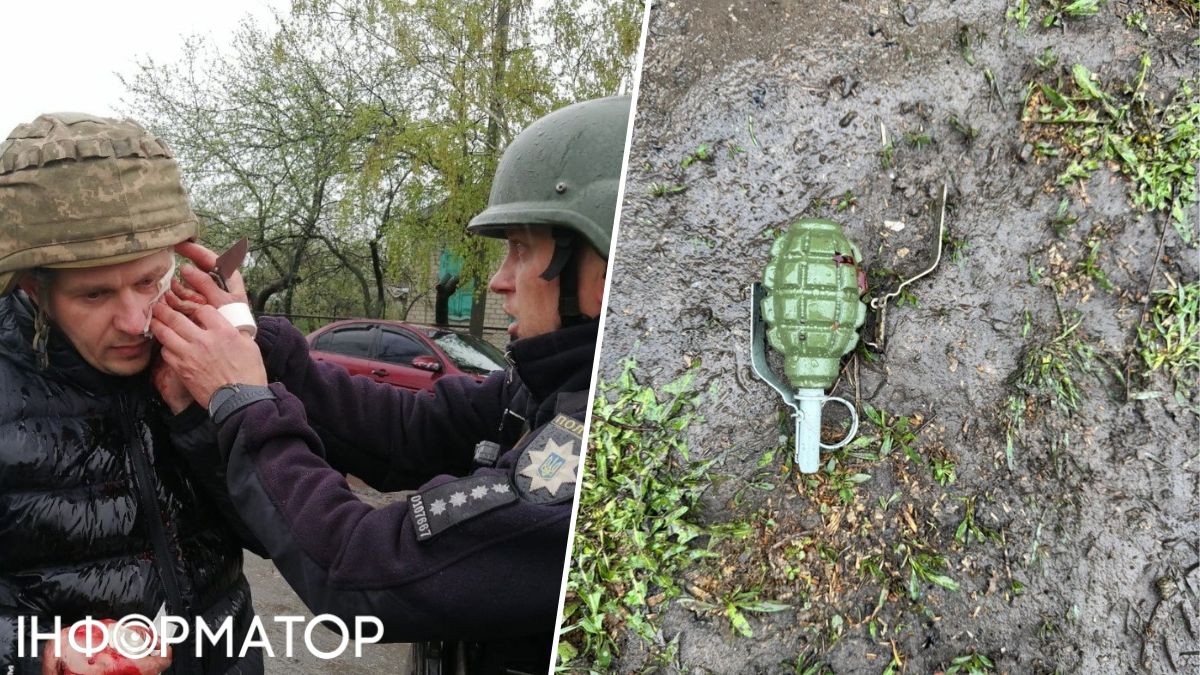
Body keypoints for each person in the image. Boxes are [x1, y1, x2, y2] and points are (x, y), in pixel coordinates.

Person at [148, 95, 631, 674]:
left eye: (521, 249)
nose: (499, 280)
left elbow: (362, 567)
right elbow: (407, 430)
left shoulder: (593, 451)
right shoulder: (546, 388)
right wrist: (252, 339)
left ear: (600, 272)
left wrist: (244, 403)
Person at [0, 113, 263, 675]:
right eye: (93, 294)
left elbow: (272, 534)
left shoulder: (200, 357)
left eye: (149, 281)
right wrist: (35, 654)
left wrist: (206, 413)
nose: (132, 320)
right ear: (32, 287)